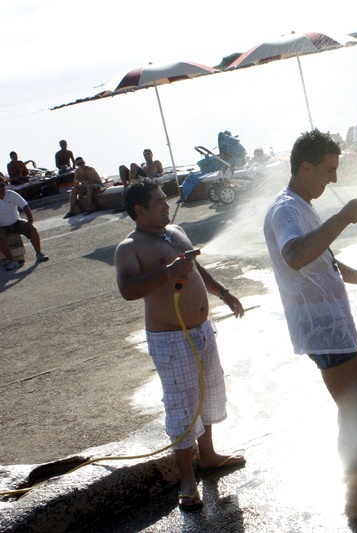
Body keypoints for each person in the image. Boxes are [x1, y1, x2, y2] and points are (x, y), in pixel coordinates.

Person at [263, 129, 357, 523]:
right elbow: (295, 255)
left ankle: (353, 467)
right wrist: (343, 217)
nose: (335, 179)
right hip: (320, 325)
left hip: (334, 320)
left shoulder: (301, 205)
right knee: (355, 406)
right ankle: (354, 500)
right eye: (329, 170)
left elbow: (325, 261)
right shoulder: (285, 210)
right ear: (305, 167)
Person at [114, 177, 246, 512]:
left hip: (202, 330)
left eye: (165, 199)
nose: (166, 205)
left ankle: (210, 455)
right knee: (182, 406)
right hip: (170, 339)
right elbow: (128, 289)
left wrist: (225, 293)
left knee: (209, 392)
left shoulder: (176, 233)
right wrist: (169, 272)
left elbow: (197, 269)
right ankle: (188, 480)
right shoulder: (129, 248)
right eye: (158, 202)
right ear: (139, 210)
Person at [0, 176, 49, 270]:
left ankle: (39, 253)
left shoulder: (11, 194)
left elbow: (25, 206)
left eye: (2, 185)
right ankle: (12, 261)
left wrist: (30, 221)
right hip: (2, 226)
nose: (1, 187)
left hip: (16, 222)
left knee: (32, 229)